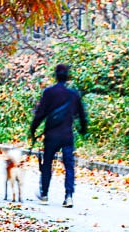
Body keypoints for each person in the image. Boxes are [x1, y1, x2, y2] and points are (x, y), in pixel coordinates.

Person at [29, 63, 88, 208]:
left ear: (55, 76)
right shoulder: (73, 95)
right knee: (69, 166)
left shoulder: (49, 93)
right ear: (67, 77)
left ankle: (44, 194)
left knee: (47, 163)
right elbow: (82, 116)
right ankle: (69, 196)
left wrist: (33, 129)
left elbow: (40, 113)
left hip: (52, 135)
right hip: (67, 135)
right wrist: (83, 130)